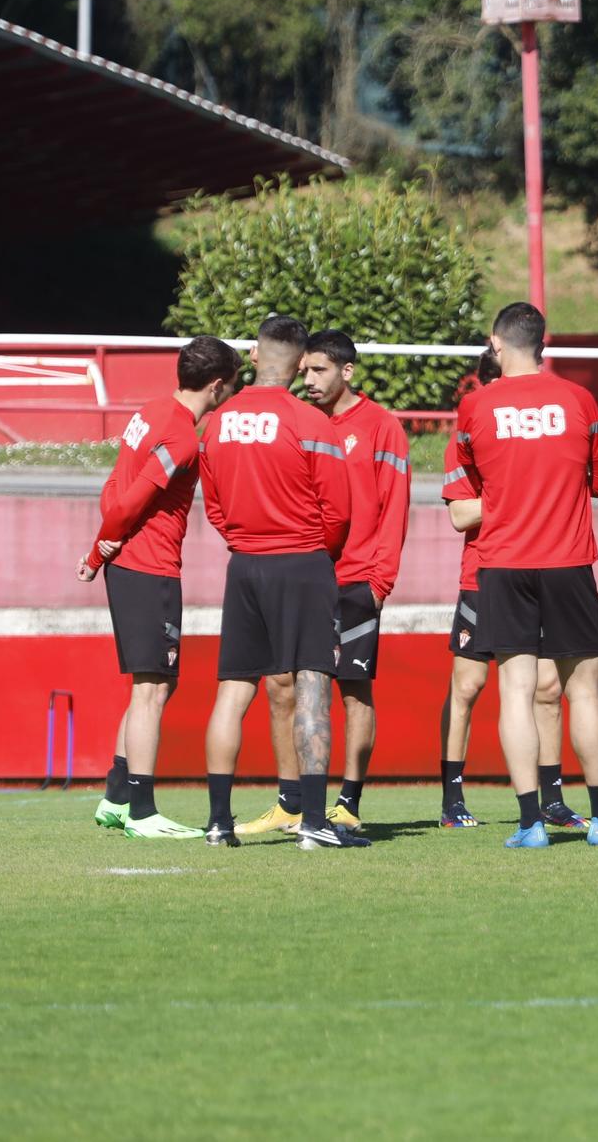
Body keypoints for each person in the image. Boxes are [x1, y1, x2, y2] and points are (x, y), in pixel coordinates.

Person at [443, 301, 598, 850]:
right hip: (567, 561)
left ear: (496, 343)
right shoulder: (580, 401)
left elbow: (469, 483)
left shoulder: (473, 408)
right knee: (583, 691)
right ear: (544, 343)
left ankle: (529, 824)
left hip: (502, 563)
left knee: (514, 691)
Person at [199, 315, 364, 849]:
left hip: (245, 563)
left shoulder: (219, 422)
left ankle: (219, 822)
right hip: (302, 561)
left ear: (252, 355)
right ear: (299, 364)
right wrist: (315, 549)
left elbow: (215, 504)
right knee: (313, 683)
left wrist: (242, 539)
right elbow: (339, 510)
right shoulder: (311, 422)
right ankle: (314, 822)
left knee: (233, 690)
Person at [78, 335, 240, 839]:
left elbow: (114, 487)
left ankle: (116, 795)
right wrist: (95, 551)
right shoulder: (182, 437)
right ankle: (142, 812)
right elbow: (129, 504)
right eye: (231, 386)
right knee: (152, 688)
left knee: (154, 684)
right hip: (149, 568)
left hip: (133, 564)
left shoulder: (149, 412)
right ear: (216, 385)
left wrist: (107, 542)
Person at [271, 329, 412, 832]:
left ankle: (348, 804)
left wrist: (380, 582)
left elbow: (395, 507)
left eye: (319, 370)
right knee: (284, 684)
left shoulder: (381, 427)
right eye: (304, 370)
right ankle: (291, 803)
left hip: (357, 580)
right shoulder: (300, 421)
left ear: (347, 371)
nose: (307, 380)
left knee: (353, 692)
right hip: (303, 577)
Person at [439, 350, 580, 830]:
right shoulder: (471, 428)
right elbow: (459, 513)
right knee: (468, 686)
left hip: (535, 571)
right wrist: (515, 494)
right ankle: (452, 799)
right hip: (482, 575)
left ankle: (553, 797)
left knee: (547, 687)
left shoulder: (537, 430)